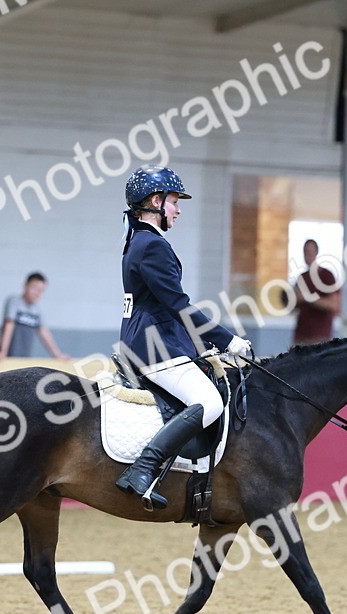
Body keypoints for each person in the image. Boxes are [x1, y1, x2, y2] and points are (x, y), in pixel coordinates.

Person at [115, 165, 251, 510]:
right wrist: (227, 340)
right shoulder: (151, 245)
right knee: (210, 403)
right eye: (174, 202)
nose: (178, 210)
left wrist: (204, 346)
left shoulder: (137, 240)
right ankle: (143, 469)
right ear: (155, 201)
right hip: (154, 347)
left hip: (153, 340)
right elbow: (178, 305)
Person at [0, 272, 68, 360]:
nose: (37, 293)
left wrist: (57, 355)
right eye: (34, 288)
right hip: (8, 356)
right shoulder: (14, 301)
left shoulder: (36, 310)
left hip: (25, 357)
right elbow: (9, 325)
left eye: (41, 290)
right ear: (25, 286)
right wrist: (3, 352)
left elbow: (43, 332)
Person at [290, 239, 341, 346]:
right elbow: (292, 307)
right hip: (301, 337)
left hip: (319, 338)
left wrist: (308, 297)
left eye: (310, 252)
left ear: (316, 253)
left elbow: (333, 305)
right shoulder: (302, 277)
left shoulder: (327, 276)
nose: (307, 255)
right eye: (305, 252)